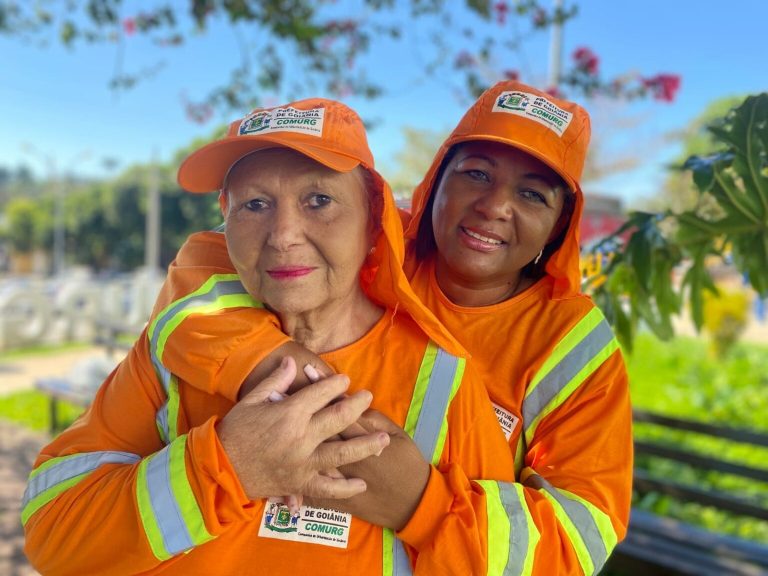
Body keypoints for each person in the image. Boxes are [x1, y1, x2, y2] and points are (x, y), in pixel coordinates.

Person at [122, 80, 634, 575]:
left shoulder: (573, 346)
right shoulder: (375, 244)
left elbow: (576, 545)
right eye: (477, 174)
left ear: (559, 225)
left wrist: (422, 505)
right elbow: (209, 264)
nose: (495, 206)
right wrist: (277, 369)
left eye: (533, 195)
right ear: (435, 182)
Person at [22, 98, 516, 575]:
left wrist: (420, 506)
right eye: (254, 204)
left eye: (319, 200)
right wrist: (224, 470)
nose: (282, 235)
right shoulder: (173, 352)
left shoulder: (443, 379)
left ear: (374, 221)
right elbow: (52, 531)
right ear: (225, 219)